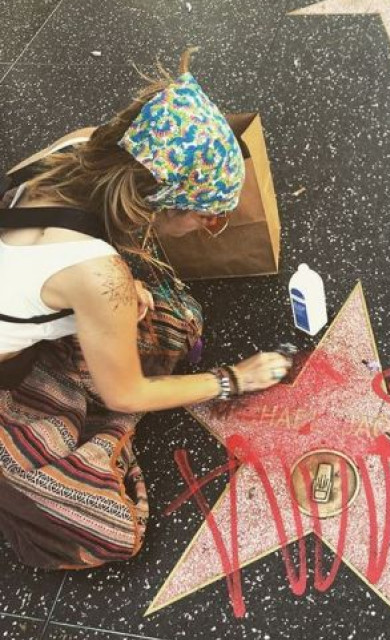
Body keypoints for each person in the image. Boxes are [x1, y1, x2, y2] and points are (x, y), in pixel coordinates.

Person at [0, 48, 292, 570]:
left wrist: (116, 284)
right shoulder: (96, 273)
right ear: (163, 200)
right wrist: (232, 380)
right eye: (210, 219)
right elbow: (125, 392)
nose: (211, 230)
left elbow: (77, 255)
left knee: (168, 322)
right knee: (110, 528)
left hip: (30, 306)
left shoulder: (81, 146)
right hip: (9, 370)